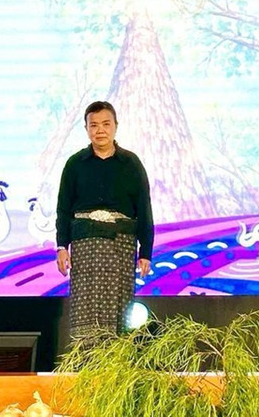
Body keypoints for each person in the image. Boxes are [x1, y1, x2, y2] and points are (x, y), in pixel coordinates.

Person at [55, 100, 154, 340]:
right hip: (85, 245)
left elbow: (144, 209)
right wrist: (61, 246)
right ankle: (85, 359)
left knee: (119, 312)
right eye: (94, 125)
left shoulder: (131, 163)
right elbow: (63, 209)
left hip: (121, 244)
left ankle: (115, 359)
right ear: (86, 129)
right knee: (85, 311)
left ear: (116, 126)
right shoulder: (75, 164)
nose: (100, 130)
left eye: (106, 124)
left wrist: (146, 252)